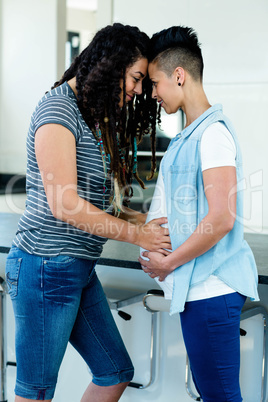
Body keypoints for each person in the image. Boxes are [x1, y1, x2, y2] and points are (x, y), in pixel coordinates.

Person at [5, 23, 171, 402]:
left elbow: (100, 205)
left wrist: (145, 222)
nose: (139, 90)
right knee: (36, 393)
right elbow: (65, 204)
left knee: (114, 372)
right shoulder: (58, 109)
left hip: (75, 269)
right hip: (45, 267)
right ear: (112, 64)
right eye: (136, 78)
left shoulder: (91, 115)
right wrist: (138, 235)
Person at [139, 26, 259, 402]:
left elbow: (222, 218)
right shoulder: (189, 135)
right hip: (200, 292)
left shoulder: (212, 135)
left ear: (179, 75)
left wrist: (168, 262)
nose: (152, 92)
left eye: (156, 82)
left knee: (220, 396)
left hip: (212, 290)